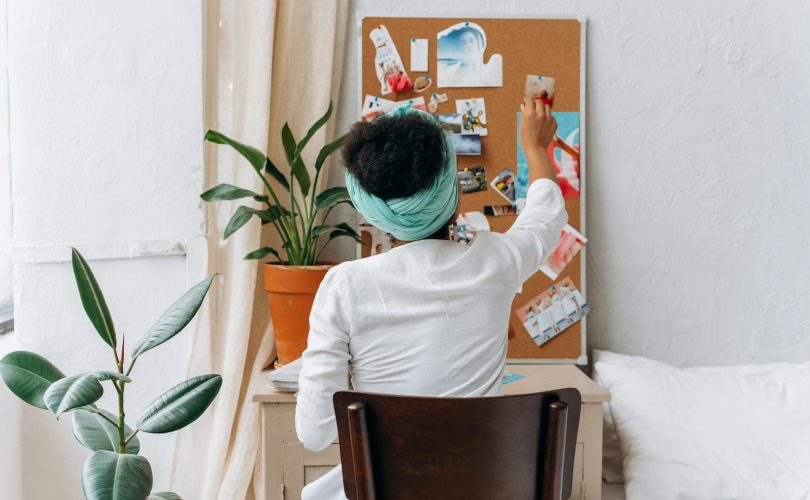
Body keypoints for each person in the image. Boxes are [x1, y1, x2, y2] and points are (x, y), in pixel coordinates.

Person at [295, 96, 566, 499]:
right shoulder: (496, 262)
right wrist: (535, 148)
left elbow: (314, 433)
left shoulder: (345, 287)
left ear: (374, 214)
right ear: (454, 193)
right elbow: (545, 217)